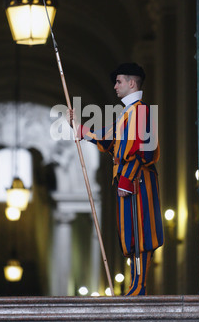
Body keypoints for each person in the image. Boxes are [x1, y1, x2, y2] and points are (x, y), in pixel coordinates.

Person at [67, 62, 163, 296]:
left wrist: (126, 179)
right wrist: (79, 129)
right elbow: (108, 139)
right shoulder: (126, 115)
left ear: (132, 83)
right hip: (129, 183)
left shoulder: (141, 111)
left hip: (137, 182)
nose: (115, 86)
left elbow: (144, 153)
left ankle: (139, 286)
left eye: (119, 81)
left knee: (141, 235)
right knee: (130, 235)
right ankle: (134, 284)